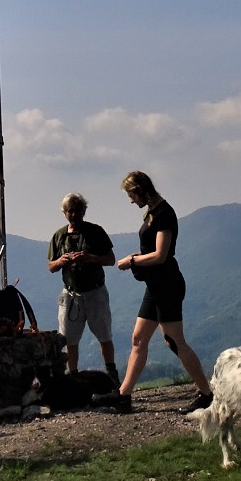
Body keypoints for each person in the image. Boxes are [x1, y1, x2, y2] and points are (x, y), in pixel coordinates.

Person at [92, 171, 213, 415]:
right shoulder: (151, 212)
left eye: (130, 194)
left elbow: (161, 255)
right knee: (138, 339)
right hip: (155, 286)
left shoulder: (164, 214)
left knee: (174, 342)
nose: (130, 200)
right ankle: (124, 397)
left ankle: (207, 394)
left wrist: (132, 261)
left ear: (140, 190)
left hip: (167, 285)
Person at [47, 192, 119, 381]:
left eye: (77, 210)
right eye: (70, 211)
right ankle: (73, 377)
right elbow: (51, 266)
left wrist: (90, 258)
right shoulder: (59, 236)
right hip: (71, 294)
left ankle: (111, 375)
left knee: (104, 335)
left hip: (95, 292)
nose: (74, 214)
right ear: (65, 213)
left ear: (83, 211)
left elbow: (111, 260)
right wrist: (61, 261)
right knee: (70, 339)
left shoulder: (96, 232)